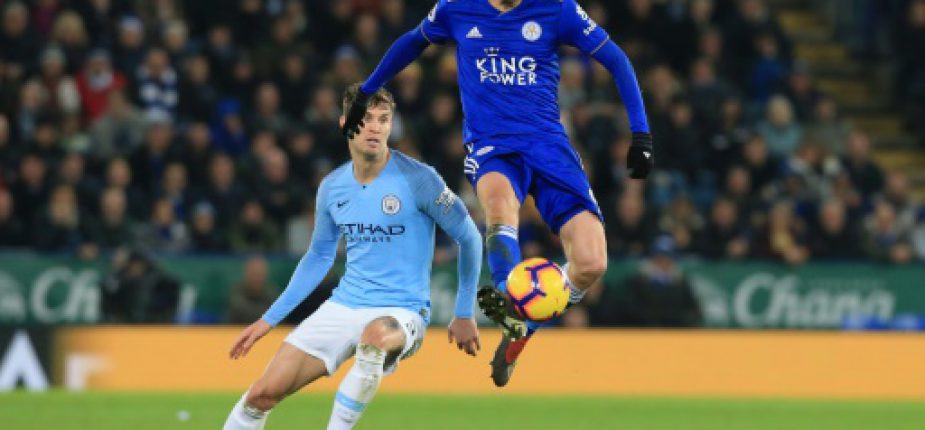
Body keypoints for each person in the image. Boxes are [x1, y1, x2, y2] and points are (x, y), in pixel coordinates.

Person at [345, 0, 653, 387]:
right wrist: (366, 92)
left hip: (549, 147)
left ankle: (521, 328)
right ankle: (509, 294)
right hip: (493, 145)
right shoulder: (456, 8)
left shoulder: (558, 10)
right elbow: (412, 41)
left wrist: (641, 134)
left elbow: (617, 60)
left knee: (592, 263)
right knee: (498, 202)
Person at [222, 84, 483, 430]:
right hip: (344, 305)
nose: (375, 128)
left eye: (383, 119)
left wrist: (463, 312)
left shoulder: (420, 179)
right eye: (366, 119)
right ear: (346, 124)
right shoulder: (333, 187)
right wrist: (267, 320)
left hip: (402, 311)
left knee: (374, 341)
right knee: (260, 396)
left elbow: (469, 237)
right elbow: (318, 257)